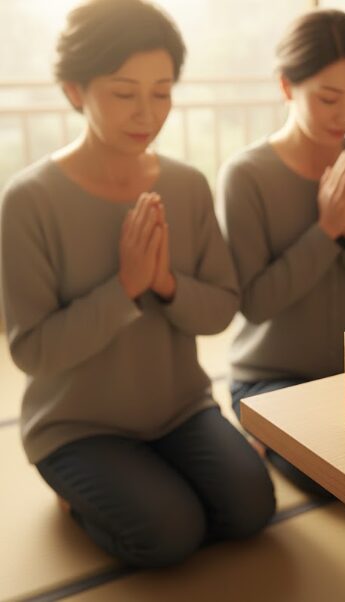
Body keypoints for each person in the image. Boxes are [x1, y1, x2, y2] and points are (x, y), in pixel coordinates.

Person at [0, 0, 275, 568]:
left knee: (252, 508)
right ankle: (77, 495)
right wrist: (124, 288)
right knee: (170, 536)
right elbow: (31, 350)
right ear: (75, 91)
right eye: (124, 93)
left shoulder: (187, 186)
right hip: (77, 425)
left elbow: (222, 307)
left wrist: (166, 284)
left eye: (162, 91)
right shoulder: (28, 201)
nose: (147, 113)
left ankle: (151, 482)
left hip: (179, 409)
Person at [218, 9, 345, 496]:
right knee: (331, 480)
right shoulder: (246, 175)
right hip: (267, 380)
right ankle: (255, 431)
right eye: (327, 98)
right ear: (286, 86)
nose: (344, 116)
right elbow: (255, 303)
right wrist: (326, 233)